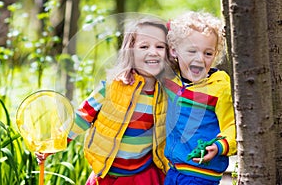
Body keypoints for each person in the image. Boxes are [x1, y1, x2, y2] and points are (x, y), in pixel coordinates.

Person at [37, 16, 170, 185]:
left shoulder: (165, 93)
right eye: (144, 46)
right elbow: (82, 117)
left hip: (142, 174)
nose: (153, 52)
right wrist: (54, 143)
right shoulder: (111, 87)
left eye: (160, 46)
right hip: (107, 174)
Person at [163, 11, 237, 185]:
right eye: (191, 51)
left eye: (208, 53)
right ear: (174, 50)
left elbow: (233, 125)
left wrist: (219, 146)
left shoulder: (218, 88)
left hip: (201, 173)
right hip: (173, 170)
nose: (200, 59)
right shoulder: (171, 81)